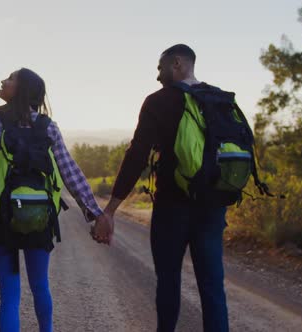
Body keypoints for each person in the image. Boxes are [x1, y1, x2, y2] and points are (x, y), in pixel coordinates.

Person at [0, 68, 114, 332]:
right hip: (40, 219)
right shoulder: (48, 127)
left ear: (22, 89)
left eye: (11, 78)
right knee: (40, 287)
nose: (3, 80)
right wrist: (97, 214)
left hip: (0, 218)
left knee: (10, 296)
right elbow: (70, 173)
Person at [103, 44, 230, 332]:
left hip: (172, 206)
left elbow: (137, 156)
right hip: (212, 205)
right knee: (212, 287)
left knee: (169, 282)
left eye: (160, 68)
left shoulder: (158, 102)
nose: (158, 76)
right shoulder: (219, 98)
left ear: (177, 64)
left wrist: (110, 209)